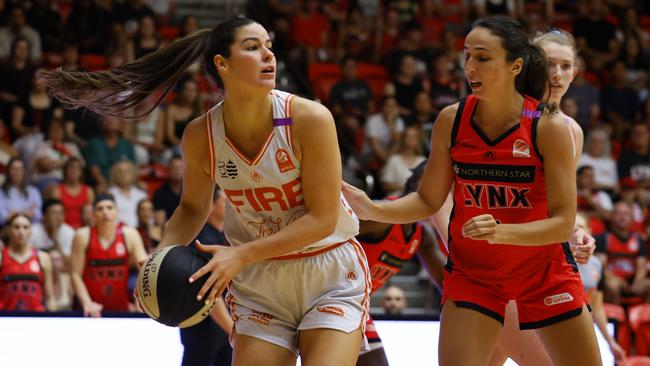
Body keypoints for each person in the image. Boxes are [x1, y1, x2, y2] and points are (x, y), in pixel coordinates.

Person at [40, 18, 370, 365]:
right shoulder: (201, 135)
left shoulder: (310, 118)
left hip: (327, 269)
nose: (268, 55)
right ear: (221, 64)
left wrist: (240, 255)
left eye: (269, 46)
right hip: (262, 281)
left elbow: (322, 218)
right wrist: (160, 258)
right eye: (253, 47)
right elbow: (192, 208)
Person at [342, 16, 601, 365]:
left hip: (543, 274)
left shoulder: (549, 126)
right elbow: (427, 200)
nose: (469, 67)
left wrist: (501, 231)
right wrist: (371, 208)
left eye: (482, 57)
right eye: (466, 56)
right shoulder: (452, 119)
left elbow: (560, 221)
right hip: (474, 274)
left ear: (516, 66)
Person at [69, 194, 147, 317]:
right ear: (93, 214)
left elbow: (145, 269)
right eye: (100, 209)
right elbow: (75, 274)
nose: (105, 212)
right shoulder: (82, 236)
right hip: (91, 310)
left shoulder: (129, 234)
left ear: (117, 212)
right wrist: (87, 303)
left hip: (122, 309)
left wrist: (140, 299)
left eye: (110, 207)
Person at [0, 213, 55, 311]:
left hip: (36, 319)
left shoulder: (43, 257)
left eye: (25, 227)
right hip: (6, 319)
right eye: (16, 227)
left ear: (30, 231)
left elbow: (50, 297)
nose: (21, 231)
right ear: (8, 230)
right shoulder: (1, 257)